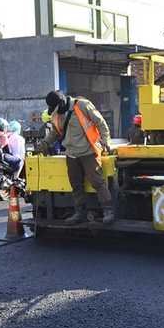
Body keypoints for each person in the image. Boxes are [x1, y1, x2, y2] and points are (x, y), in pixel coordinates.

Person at [41, 90, 114, 226]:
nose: (54, 112)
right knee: (76, 184)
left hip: (88, 151)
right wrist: (45, 143)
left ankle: (108, 210)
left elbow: (100, 122)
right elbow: (55, 132)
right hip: (71, 154)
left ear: (61, 103)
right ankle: (80, 213)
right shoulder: (57, 113)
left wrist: (106, 141)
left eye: (55, 108)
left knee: (97, 181)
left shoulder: (82, 105)